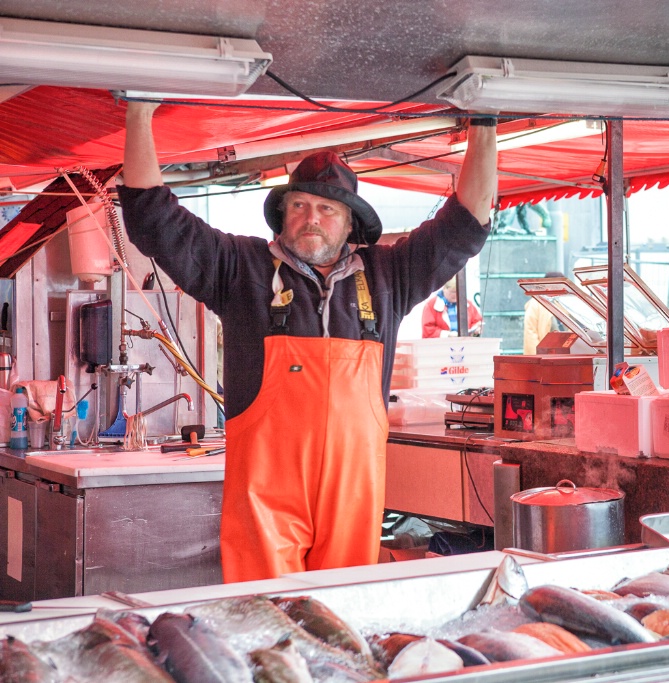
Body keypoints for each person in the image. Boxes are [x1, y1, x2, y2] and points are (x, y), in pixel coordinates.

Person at [119, 101, 497, 582]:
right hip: (266, 495)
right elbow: (154, 219)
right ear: (282, 216)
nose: (310, 218)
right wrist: (139, 111)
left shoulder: (388, 276)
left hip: (351, 494)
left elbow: (466, 224)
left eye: (326, 209)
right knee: (264, 610)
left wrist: (485, 122)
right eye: (299, 206)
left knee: (342, 611)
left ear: (349, 223)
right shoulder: (240, 268)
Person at [523, 271, 563, 354]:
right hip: (544, 356)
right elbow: (530, 333)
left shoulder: (563, 303)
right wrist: (537, 357)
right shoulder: (535, 304)